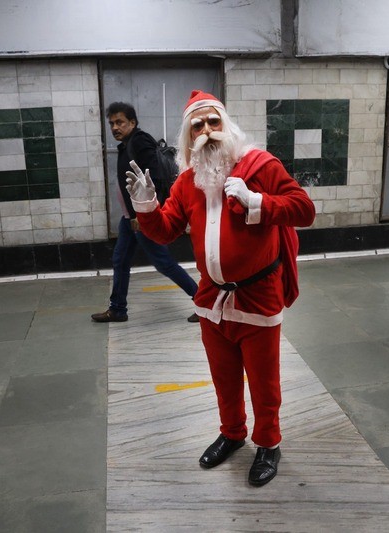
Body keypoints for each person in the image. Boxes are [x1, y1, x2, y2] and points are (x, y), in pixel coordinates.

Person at [125, 90, 315, 486]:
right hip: (212, 298)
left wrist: (257, 200)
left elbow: (303, 209)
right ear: (188, 136)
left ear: (226, 126)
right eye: (198, 125)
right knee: (223, 376)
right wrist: (145, 207)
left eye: (214, 122)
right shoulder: (188, 180)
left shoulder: (260, 165)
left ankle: (268, 442)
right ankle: (232, 433)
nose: (207, 131)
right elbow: (163, 232)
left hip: (258, 295)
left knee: (264, 381)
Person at [91, 102, 199, 323]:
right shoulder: (126, 145)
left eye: (120, 122)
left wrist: (147, 214)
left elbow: (156, 176)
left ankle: (202, 300)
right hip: (129, 219)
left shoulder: (139, 141)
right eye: (111, 123)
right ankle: (118, 309)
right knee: (120, 260)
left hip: (142, 219)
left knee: (163, 263)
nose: (114, 127)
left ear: (132, 122)